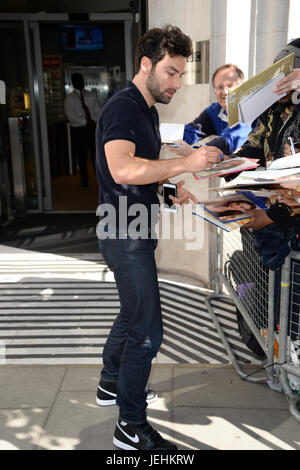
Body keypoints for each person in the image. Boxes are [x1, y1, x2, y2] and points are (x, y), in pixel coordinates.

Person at [94, 25, 223, 451]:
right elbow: (123, 170)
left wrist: (171, 182)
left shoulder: (145, 108)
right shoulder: (123, 108)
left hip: (130, 226)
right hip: (124, 232)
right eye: (171, 73)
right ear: (146, 64)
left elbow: (147, 160)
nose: (177, 83)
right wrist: (184, 167)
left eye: (181, 74)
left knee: (132, 315)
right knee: (148, 332)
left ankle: (111, 384)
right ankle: (130, 427)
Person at [169, 64, 253, 158]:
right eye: (220, 87)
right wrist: (162, 136)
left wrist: (194, 152)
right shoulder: (215, 110)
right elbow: (193, 131)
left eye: (230, 86)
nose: (225, 92)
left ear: (242, 88)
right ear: (214, 91)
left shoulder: (248, 109)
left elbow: (227, 142)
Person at [64, 72, 101, 186]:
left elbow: (98, 109)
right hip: (79, 130)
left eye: (81, 80)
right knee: (81, 154)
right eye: (77, 80)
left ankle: (99, 178)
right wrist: (85, 122)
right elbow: (70, 115)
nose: (80, 82)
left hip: (92, 128)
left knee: (96, 154)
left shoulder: (92, 95)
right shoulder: (69, 98)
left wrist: (93, 120)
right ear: (73, 82)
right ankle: (84, 178)